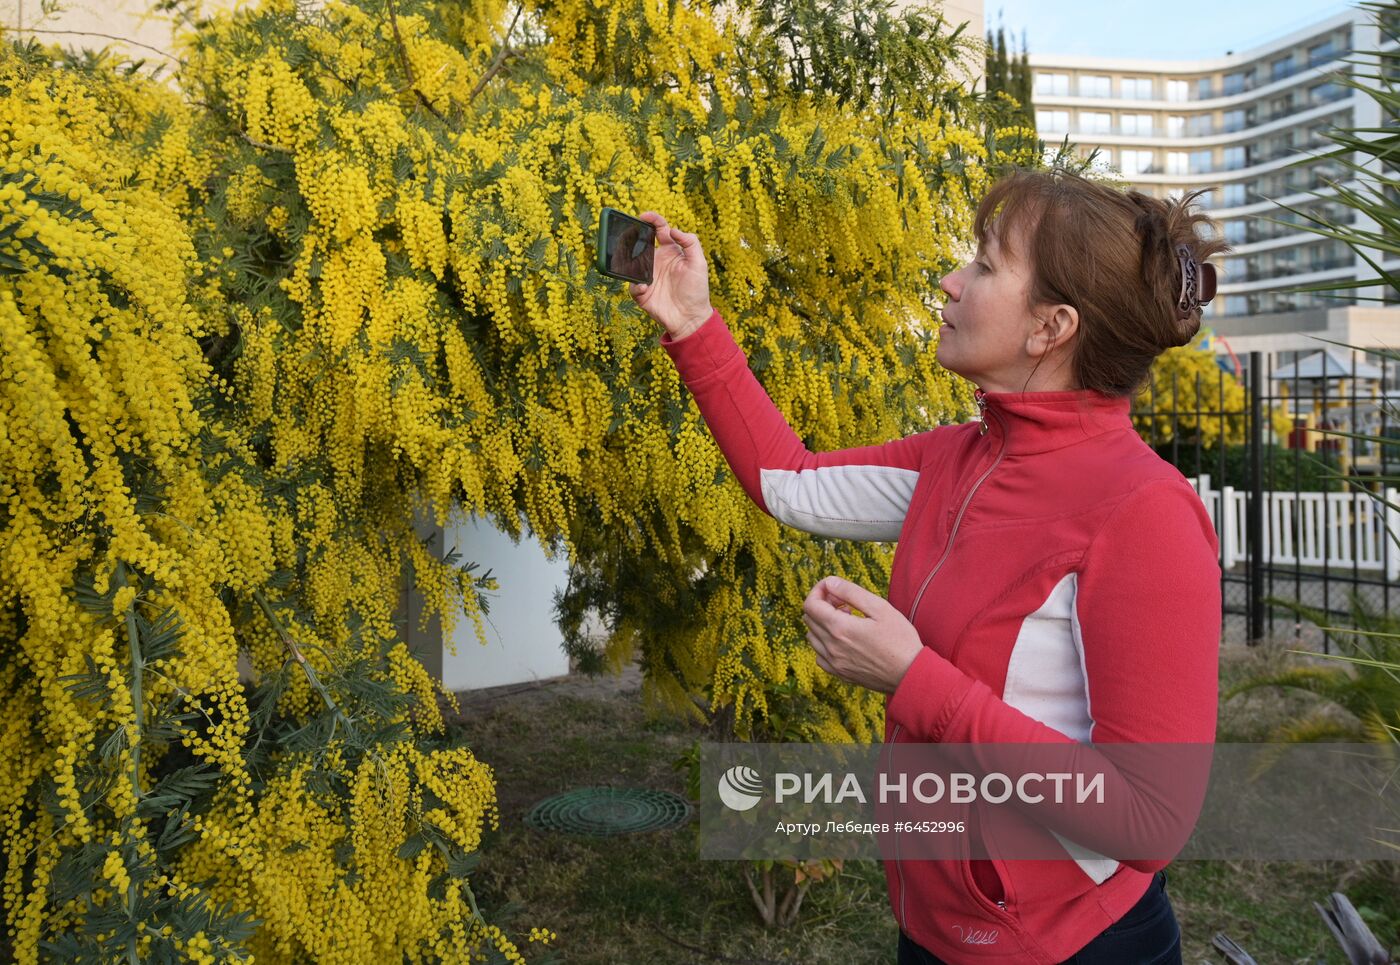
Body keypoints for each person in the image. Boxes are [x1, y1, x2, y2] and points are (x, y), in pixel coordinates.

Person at [628, 168, 1225, 964]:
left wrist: (913, 678)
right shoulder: (952, 459)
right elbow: (787, 481)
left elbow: (1150, 819)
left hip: (1070, 946)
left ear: (1051, 327)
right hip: (934, 931)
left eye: (983, 264)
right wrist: (694, 323)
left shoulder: (1143, 510)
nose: (950, 279)